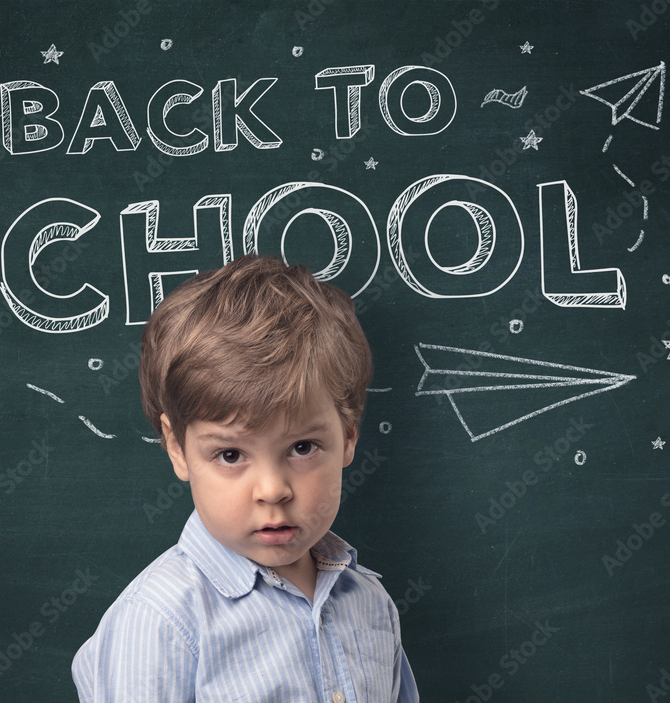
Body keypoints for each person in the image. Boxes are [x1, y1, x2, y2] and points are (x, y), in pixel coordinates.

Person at [72, 255, 419, 702]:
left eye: (302, 448)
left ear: (348, 436)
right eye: (231, 454)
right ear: (177, 447)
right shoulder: (161, 620)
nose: (273, 489)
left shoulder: (370, 603)